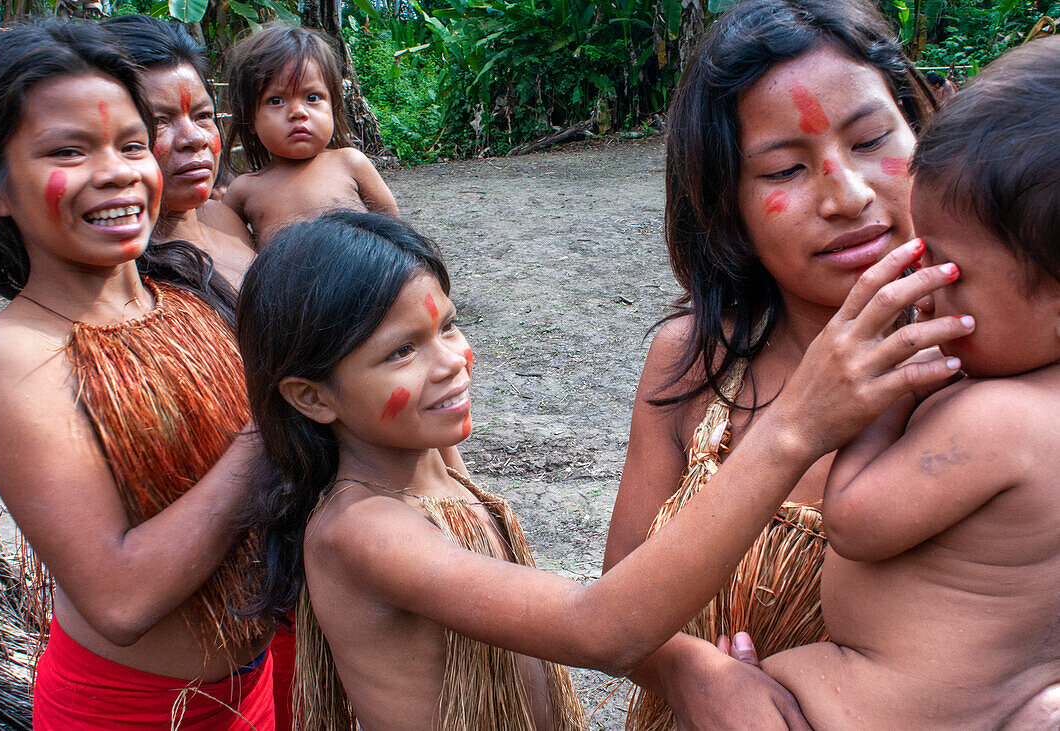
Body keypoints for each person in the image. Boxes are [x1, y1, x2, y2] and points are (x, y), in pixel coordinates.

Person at [236, 210, 968, 729]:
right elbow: (601, 629)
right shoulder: (363, 531)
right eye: (401, 352)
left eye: (449, 325)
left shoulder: (424, 459)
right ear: (310, 395)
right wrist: (795, 428)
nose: (451, 362)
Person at [601, 0, 940, 727]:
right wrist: (692, 673)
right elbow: (615, 603)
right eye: (786, 167)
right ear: (727, 207)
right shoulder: (692, 367)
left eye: (873, 138)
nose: (847, 196)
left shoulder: (997, 369)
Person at [0, 21, 273, 728]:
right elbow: (120, 598)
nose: (118, 171)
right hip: (131, 713)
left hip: (256, 688)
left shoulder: (190, 291)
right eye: (69, 150)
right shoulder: (12, 354)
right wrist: (269, 429)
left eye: (133, 145)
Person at [760, 35, 1060, 729]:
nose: (926, 297)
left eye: (949, 274)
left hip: (887, 703)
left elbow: (855, 520)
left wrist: (883, 397)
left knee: (748, 682)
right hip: (1008, 704)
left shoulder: (1001, 418)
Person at [103, 14, 256, 287]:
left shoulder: (224, 215)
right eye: (158, 121)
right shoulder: (120, 272)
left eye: (203, 115)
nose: (195, 138)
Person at [222, 24, 398, 244]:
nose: (298, 112)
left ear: (333, 106)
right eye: (276, 100)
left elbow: (396, 233)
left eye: (313, 97)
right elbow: (231, 256)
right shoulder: (243, 190)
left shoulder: (350, 163)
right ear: (250, 120)